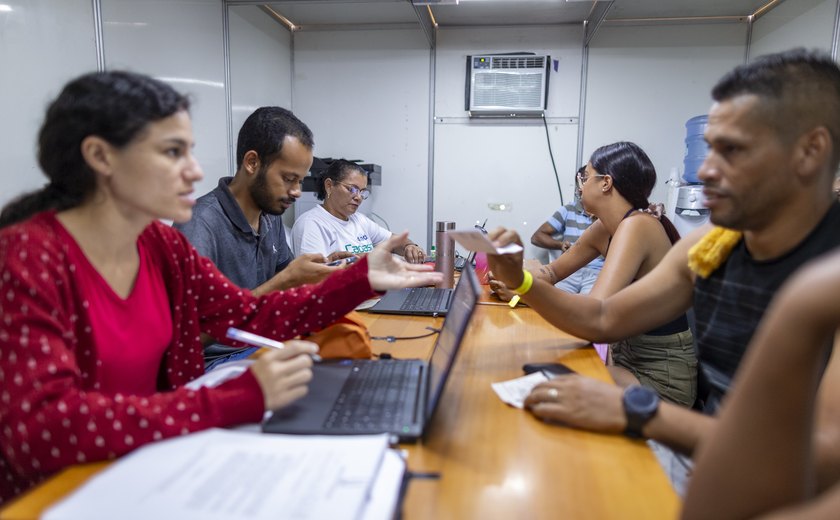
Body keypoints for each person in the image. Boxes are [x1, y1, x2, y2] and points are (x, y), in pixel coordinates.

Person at [0, 70, 440, 503]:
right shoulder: (28, 257)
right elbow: (42, 429)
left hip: (140, 463)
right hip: (61, 493)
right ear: (101, 156)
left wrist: (359, 279)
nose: (193, 171)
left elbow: (249, 314)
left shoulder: (160, 245)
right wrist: (235, 399)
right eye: (173, 153)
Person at [487, 48, 840, 492]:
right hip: (709, 454)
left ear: (810, 150)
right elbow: (601, 318)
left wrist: (637, 411)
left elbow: (826, 458)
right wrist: (520, 279)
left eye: (732, 150)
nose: (705, 171)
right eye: (709, 149)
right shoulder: (713, 244)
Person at [493, 142, 696, 406]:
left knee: (549, 389)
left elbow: (596, 314)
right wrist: (513, 272)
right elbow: (552, 271)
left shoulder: (638, 226)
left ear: (606, 183)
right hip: (628, 362)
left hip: (660, 377)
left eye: (585, 177)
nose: (580, 185)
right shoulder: (605, 228)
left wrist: (523, 285)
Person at [174, 107, 351, 369]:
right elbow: (185, 338)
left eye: (300, 181)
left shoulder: (270, 215)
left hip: (263, 344)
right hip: (216, 361)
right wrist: (285, 280)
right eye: (289, 179)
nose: (297, 192)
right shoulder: (198, 225)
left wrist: (315, 274)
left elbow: (285, 284)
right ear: (252, 162)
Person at [683, 248, 840, 519]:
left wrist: (647, 416)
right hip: (724, 456)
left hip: (760, 471)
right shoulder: (715, 246)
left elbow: (828, 456)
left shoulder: (817, 289)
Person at [291, 159, 426, 263]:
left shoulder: (359, 220)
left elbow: (394, 241)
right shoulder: (311, 224)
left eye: (362, 192)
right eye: (352, 189)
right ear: (329, 186)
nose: (358, 197)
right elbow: (313, 278)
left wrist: (409, 246)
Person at [529, 167, 604, 294]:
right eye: (580, 182)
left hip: (597, 273)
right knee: (549, 297)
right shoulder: (569, 210)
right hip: (569, 270)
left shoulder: (607, 215)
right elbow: (536, 237)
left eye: (585, 180)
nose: (581, 188)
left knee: (585, 305)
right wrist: (560, 245)